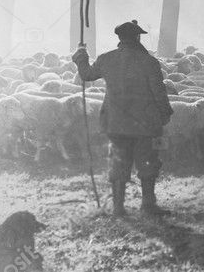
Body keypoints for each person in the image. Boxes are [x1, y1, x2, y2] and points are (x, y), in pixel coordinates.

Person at [72, 20, 173, 217]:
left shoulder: (106, 59)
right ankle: (148, 205)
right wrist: (165, 113)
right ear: (137, 37)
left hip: (116, 122)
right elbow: (159, 92)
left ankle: (118, 208)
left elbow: (86, 75)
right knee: (148, 162)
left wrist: (81, 56)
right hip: (145, 123)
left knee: (119, 162)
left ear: (120, 38)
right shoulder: (149, 62)